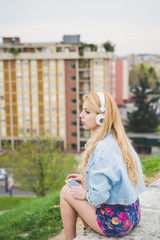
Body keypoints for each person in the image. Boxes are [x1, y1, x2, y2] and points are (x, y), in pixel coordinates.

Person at [60, 91, 145, 240]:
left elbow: (98, 197)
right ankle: (88, 229)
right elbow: (116, 177)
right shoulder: (118, 139)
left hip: (115, 222)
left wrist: (84, 194)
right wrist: (85, 179)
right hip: (132, 214)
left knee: (67, 191)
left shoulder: (102, 148)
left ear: (101, 117)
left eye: (87, 111)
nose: (81, 115)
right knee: (80, 188)